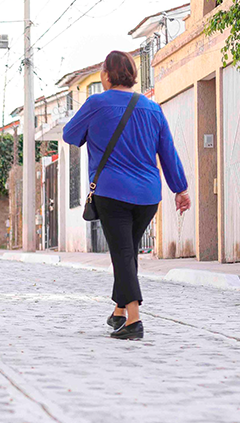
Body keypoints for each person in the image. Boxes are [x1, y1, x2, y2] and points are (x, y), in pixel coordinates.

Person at [62, 51, 190, 340]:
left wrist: (92, 133)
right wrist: (180, 189)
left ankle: (134, 320)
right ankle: (120, 310)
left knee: (122, 252)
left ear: (106, 76)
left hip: (111, 192)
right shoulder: (152, 108)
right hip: (148, 196)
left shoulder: (96, 103)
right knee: (128, 250)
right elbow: (167, 152)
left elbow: (70, 134)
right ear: (132, 74)